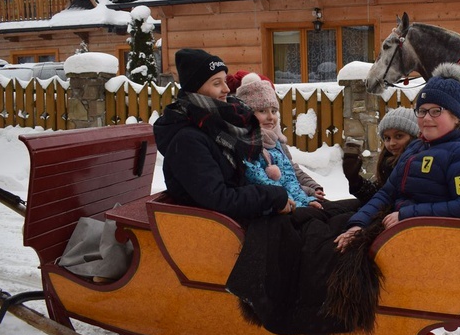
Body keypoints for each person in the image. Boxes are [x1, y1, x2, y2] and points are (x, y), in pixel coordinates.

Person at [335, 62, 460, 251]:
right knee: (328, 230)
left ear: (456, 116)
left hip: (429, 240)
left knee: (326, 252)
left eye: (436, 111)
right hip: (401, 228)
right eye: (422, 111)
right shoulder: (417, 147)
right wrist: (357, 225)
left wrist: (407, 215)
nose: (426, 118)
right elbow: (387, 193)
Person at [153, 49, 296, 221]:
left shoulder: (219, 126)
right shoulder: (188, 140)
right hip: (221, 230)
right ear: (196, 89)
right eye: (216, 83)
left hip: (243, 219)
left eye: (225, 81)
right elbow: (219, 198)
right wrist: (272, 197)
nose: (227, 89)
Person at [234, 72, 326, 209]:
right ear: (247, 114)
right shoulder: (248, 145)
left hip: (294, 200)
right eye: (262, 111)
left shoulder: (275, 142)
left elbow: (290, 177)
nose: (271, 117)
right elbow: (264, 182)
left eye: (274, 111)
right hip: (274, 208)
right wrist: (301, 202)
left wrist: (310, 193)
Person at [342, 107, 419, 205]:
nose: (392, 143)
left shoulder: (415, 166)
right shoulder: (388, 163)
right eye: (387, 138)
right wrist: (355, 180)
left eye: (399, 136)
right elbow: (377, 194)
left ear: (415, 137)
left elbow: (389, 203)